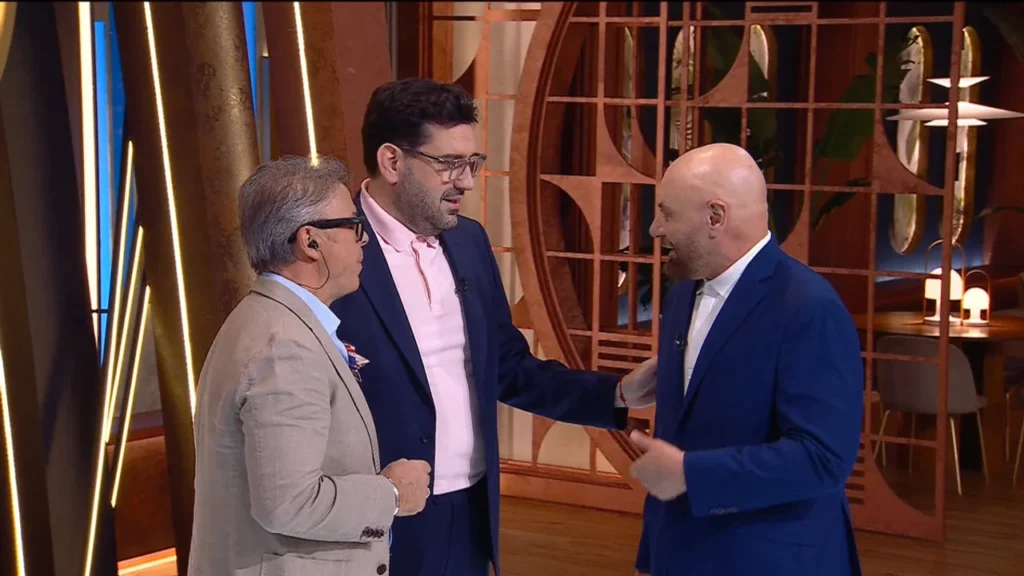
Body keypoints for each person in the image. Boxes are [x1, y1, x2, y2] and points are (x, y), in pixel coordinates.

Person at [329, 78, 658, 576]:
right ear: (392, 161)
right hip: (374, 514)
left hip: (470, 508)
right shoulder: (330, 250)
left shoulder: (469, 243)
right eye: (449, 164)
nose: (466, 181)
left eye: (473, 163)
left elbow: (508, 367)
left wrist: (616, 393)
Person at [188, 155, 432, 576]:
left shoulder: (266, 318)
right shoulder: (286, 346)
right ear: (310, 241)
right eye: (353, 226)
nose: (363, 241)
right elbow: (289, 503)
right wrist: (391, 495)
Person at [628, 143, 864, 576]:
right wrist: (652, 555)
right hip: (682, 555)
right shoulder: (682, 292)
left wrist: (692, 474)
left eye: (667, 213)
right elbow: (677, 435)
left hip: (772, 561)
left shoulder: (810, 308)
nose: (655, 228)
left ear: (715, 217)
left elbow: (823, 458)